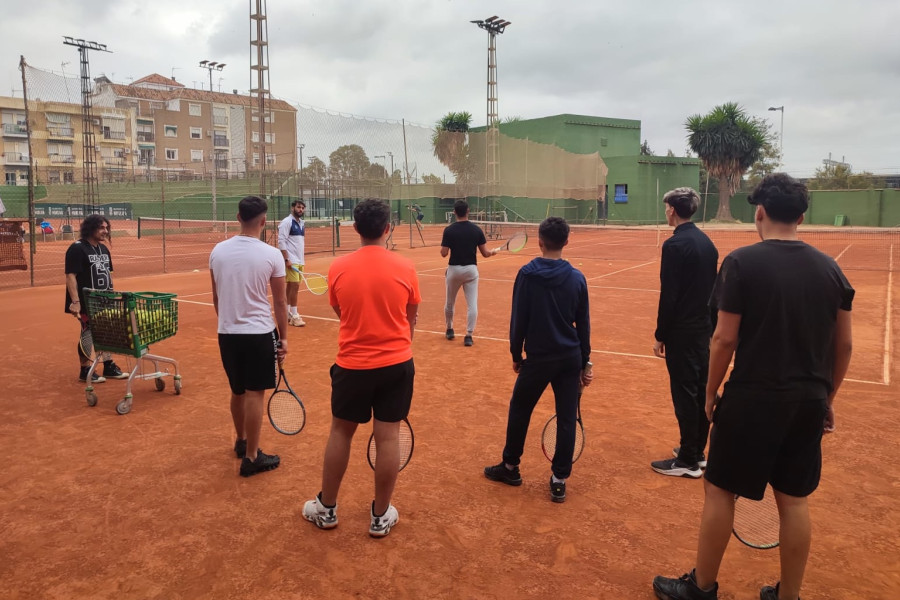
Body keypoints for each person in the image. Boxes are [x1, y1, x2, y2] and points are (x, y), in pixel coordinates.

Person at [652, 173, 854, 600]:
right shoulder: (830, 269)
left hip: (753, 398)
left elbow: (724, 338)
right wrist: (828, 398)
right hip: (809, 400)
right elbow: (845, 344)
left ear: (758, 212)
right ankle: (789, 595)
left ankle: (701, 586)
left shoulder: (742, 263)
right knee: (795, 500)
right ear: (801, 216)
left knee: (720, 490)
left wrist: (709, 393)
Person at [302, 198, 420, 538]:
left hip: (352, 365)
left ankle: (326, 509)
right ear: (388, 228)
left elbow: (342, 313)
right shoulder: (406, 267)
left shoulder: (338, 268)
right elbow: (409, 319)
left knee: (341, 432)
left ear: (354, 228)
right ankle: (381, 516)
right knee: (388, 437)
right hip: (397, 363)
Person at [484, 217, 592, 503]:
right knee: (567, 418)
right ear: (566, 242)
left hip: (539, 357)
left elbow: (519, 317)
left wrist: (516, 353)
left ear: (540, 242)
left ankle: (510, 467)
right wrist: (585, 361)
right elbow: (583, 324)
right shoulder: (577, 278)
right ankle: (559, 481)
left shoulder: (527, 274)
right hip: (569, 357)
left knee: (520, 408)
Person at [209, 195, 288, 478]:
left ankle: (242, 442)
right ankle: (252, 457)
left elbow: (216, 297)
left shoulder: (217, 251)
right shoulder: (272, 254)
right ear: (264, 221)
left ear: (238, 217)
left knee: (237, 390)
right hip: (258, 333)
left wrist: (229, 323)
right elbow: (280, 303)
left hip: (227, 333)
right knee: (255, 393)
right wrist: (284, 338)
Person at [651, 187, 718, 479]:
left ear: (672, 210)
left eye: (666, 207)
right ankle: (696, 450)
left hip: (683, 331)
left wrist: (660, 333)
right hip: (703, 330)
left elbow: (670, 295)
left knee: (685, 393)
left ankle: (689, 460)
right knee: (700, 389)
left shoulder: (674, 246)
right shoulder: (707, 243)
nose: (665, 211)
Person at [65, 214, 128, 383]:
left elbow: (109, 274)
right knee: (88, 333)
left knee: (106, 331)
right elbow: (71, 276)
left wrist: (112, 295)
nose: (105, 231)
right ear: (90, 228)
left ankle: (108, 365)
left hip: (104, 300)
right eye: (101, 228)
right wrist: (75, 302)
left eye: (107, 228)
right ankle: (85, 369)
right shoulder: (77, 248)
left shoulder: (103, 249)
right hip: (86, 302)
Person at [439, 199, 497, 346]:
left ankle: (449, 329)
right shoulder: (476, 230)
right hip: (471, 270)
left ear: (454, 212)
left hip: (454, 270)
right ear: (468, 211)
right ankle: (469, 336)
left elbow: (444, 253)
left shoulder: (449, 230)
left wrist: (445, 246)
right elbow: (485, 253)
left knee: (449, 302)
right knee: (472, 304)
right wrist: (492, 253)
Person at [277, 199, 306, 327]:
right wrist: (287, 259)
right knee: (294, 286)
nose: (301, 210)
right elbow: (281, 241)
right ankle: (294, 315)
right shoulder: (287, 222)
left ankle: (287, 313)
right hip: (291, 260)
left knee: (292, 286)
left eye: (302, 208)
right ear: (292, 208)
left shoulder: (301, 223)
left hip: (300, 260)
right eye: (299, 207)